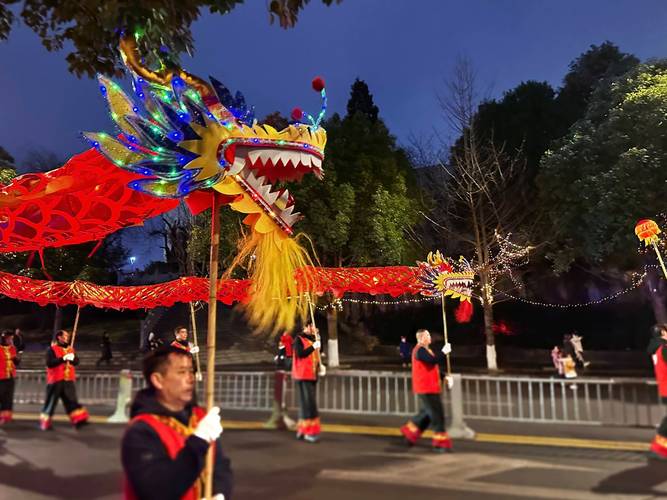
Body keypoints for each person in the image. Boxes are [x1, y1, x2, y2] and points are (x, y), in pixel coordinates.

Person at [121, 345, 233, 499]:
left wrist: (219, 493)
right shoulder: (141, 430)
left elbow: (220, 465)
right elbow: (158, 490)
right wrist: (198, 441)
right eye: (182, 372)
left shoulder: (200, 417)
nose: (191, 378)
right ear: (158, 380)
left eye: (191, 371)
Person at [400, 329, 453, 453]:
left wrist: (444, 376)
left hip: (430, 387)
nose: (430, 337)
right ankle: (440, 443)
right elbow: (431, 361)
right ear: (421, 338)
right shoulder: (419, 350)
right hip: (426, 388)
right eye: (427, 335)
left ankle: (410, 433)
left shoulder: (426, 351)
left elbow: (432, 368)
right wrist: (443, 352)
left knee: (428, 414)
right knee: (437, 415)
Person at [40, 329, 89, 430]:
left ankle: (78, 420)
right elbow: (50, 363)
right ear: (59, 337)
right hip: (56, 380)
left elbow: (76, 362)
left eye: (68, 336)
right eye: (65, 336)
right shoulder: (51, 349)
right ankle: (45, 422)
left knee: (72, 401)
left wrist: (72, 358)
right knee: (51, 402)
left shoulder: (71, 349)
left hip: (68, 379)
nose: (67, 338)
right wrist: (63, 358)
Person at [292, 323, 322, 443]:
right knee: (309, 404)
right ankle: (310, 431)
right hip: (303, 374)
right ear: (303, 328)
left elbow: (320, 352)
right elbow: (301, 354)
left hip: (312, 374)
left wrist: (318, 336)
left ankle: (302, 430)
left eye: (312, 326)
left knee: (306, 403)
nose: (311, 328)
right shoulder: (298, 339)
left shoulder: (313, 339)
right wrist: (313, 346)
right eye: (308, 326)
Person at [647, 323, 667, 460]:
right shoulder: (664, 349)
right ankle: (658, 448)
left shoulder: (657, 348)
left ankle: (659, 448)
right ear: (663, 333)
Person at [0, 330, 19, 424]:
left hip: (10, 376)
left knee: (8, 397)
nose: (10, 340)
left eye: (11, 338)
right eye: (9, 338)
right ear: (4, 338)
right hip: (1, 376)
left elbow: (17, 363)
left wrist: (15, 359)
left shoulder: (12, 349)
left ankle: (6, 416)